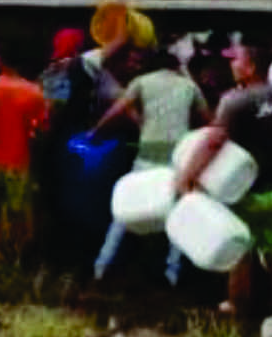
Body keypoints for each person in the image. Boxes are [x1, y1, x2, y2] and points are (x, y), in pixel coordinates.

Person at [174, 37, 272, 337]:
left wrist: (187, 175)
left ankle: (241, 332)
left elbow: (213, 141)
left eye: (237, 60)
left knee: (240, 260)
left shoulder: (236, 101)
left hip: (245, 193)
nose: (232, 65)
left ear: (250, 66)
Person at [88, 43, 205, 288]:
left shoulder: (142, 82)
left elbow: (117, 110)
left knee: (122, 212)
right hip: (177, 158)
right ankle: (172, 274)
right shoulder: (188, 86)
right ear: (175, 67)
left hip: (146, 155)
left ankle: (101, 267)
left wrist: (95, 132)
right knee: (179, 214)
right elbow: (208, 119)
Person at [0, 46, 52, 267]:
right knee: (19, 212)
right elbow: (43, 127)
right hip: (19, 160)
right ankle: (17, 257)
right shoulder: (34, 91)